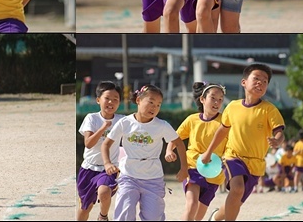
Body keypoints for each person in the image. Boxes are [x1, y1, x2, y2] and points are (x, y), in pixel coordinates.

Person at [201, 63, 285, 221]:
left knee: (236, 200)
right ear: (244, 82)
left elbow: (279, 131)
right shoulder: (232, 107)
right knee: (237, 188)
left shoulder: (269, 109)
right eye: (256, 78)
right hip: (233, 157)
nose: (260, 82)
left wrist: (277, 141)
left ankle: (215, 218)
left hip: (256, 164)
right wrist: (209, 151)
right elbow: (222, 130)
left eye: (265, 81)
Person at [101, 85, 188, 221]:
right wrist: (107, 163)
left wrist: (184, 168)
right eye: (151, 102)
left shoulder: (162, 125)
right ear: (138, 101)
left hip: (153, 178)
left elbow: (179, 143)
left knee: (153, 217)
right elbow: (106, 144)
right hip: (128, 176)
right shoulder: (125, 123)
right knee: (124, 215)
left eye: (158, 105)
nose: (154, 107)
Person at [165, 82, 228, 221]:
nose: (217, 102)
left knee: (198, 216)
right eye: (213, 98)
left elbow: (232, 144)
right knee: (191, 205)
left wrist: (227, 159)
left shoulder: (225, 122)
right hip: (193, 167)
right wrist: (169, 150)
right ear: (202, 99)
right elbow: (176, 137)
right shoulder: (192, 120)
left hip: (215, 173)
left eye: (220, 99)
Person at [77, 81, 125, 221]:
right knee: (85, 207)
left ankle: (103, 217)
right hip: (88, 168)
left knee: (104, 191)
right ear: (98, 100)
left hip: (108, 168)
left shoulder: (122, 120)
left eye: (115, 99)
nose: (111, 102)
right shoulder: (91, 118)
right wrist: (103, 128)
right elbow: (88, 143)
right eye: (107, 98)